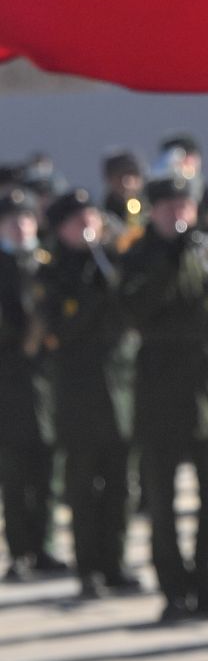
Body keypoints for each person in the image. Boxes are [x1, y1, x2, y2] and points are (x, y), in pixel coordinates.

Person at [119, 173, 208, 624]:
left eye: (184, 206)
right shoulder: (139, 256)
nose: (178, 214)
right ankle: (173, 589)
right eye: (168, 206)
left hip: (205, 386)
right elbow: (134, 309)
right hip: (158, 388)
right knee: (163, 499)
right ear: (153, 210)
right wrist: (167, 261)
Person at [35, 189, 140, 599]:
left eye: (91, 219)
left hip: (121, 390)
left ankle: (115, 563)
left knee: (120, 486)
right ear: (60, 230)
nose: (87, 228)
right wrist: (95, 292)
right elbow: (61, 330)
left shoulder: (114, 259)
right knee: (83, 486)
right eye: (77, 222)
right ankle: (88, 568)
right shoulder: (54, 271)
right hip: (78, 393)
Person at [0, 187, 63, 581]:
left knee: (47, 469)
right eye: (12, 221)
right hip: (9, 380)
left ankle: (45, 546)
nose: (22, 227)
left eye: (26, 219)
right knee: (15, 472)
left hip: (48, 381)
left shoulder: (47, 262)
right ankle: (20, 549)